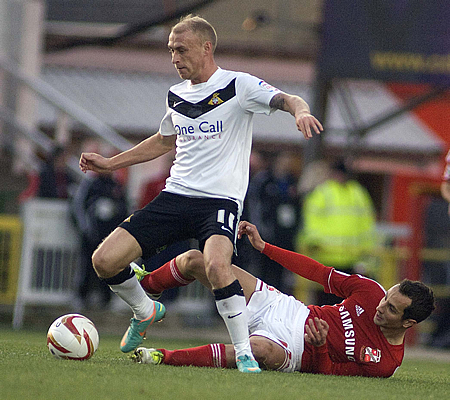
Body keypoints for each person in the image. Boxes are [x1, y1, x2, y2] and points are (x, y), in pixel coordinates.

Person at [78, 14, 323, 373]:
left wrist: (301, 111)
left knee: (216, 264)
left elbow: (287, 98)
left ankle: (243, 352)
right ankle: (145, 310)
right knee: (104, 260)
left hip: (219, 201)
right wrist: (112, 163)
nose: (175, 58)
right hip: (176, 196)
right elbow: (163, 140)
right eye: (171, 51)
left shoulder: (237, 86)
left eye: (181, 49)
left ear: (207, 48)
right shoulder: (176, 95)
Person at [131, 221, 435, 378]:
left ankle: (164, 356)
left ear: (408, 322)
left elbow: (328, 374)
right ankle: (147, 287)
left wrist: (319, 348)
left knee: (255, 350)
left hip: (298, 350)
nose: (381, 306)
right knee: (201, 261)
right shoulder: (371, 292)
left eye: (391, 308)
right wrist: (265, 247)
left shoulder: (385, 363)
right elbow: (316, 271)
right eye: (387, 297)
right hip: (285, 308)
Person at [298, 159, 377, 305]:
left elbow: (367, 226)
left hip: (351, 259)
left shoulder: (357, 193)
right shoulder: (325, 192)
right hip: (328, 259)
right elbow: (311, 221)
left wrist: (366, 257)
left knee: (347, 304)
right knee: (328, 304)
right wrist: (315, 242)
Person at [71, 169, 128, 310]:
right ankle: (82, 296)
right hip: (92, 234)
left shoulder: (116, 185)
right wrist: (85, 228)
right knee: (87, 265)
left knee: (111, 266)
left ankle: (107, 298)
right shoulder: (90, 184)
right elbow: (78, 206)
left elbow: (124, 208)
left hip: (110, 237)